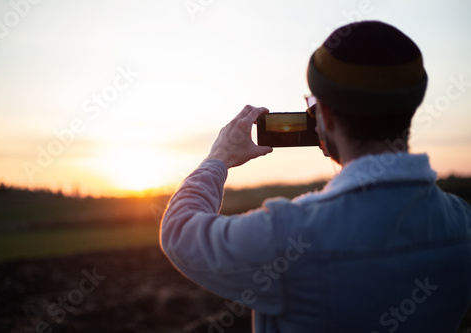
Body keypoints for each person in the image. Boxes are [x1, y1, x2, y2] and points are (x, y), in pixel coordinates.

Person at [160, 20, 471, 333]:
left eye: (312, 107)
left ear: (327, 116)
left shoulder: (290, 234)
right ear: (410, 107)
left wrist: (218, 159)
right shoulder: (461, 221)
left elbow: (179, 231)